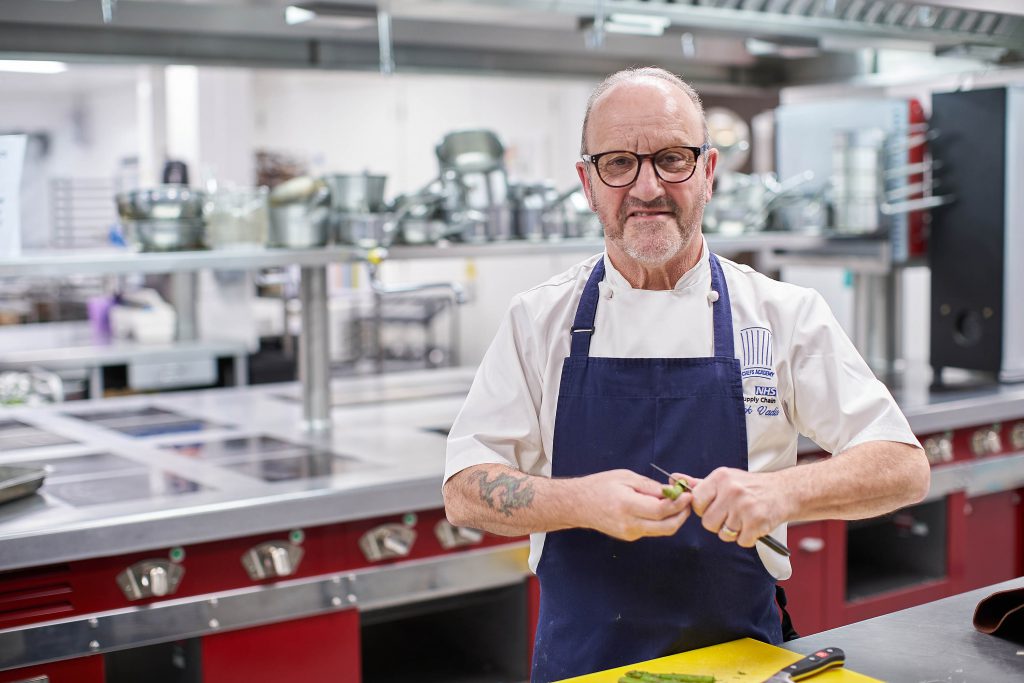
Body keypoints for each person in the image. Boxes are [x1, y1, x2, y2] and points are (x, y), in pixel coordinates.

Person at [442, 66, 930, 682]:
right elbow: (463, 490)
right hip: (583, 665)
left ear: (708, 172)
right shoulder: (540, 320)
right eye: (619, 163)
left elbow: (904, 467)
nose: (647, 186)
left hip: (744, 661)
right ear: (588, 183)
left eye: (672, 158)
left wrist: (783, 492)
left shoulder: (782, 314)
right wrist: (579, 501)